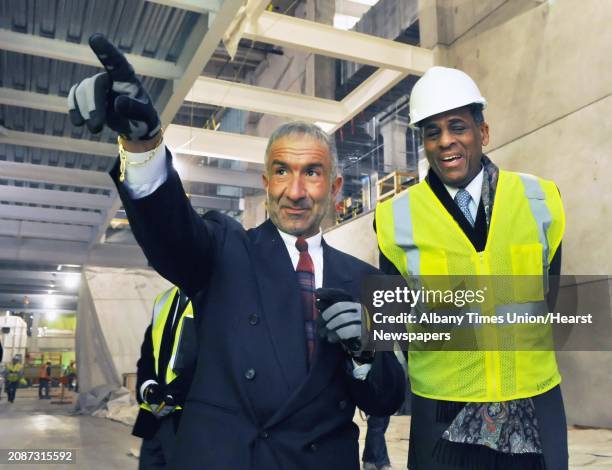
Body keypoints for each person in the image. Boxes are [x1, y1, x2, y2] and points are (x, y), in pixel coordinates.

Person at [67, 34, 405, 470]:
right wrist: (144, 146)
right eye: (282, 171)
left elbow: (389, 397)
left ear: (336, 188)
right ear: (266, 183)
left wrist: (366, 353)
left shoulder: (366, 279)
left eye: (313, 173)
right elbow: (171, 237)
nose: (295, 191)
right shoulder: (225, 250)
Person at [375, 66, 567, 469]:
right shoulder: (396, 219)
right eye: (432, 132)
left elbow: (548, 297)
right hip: (443, 412)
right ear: (423, 144)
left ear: (483, 132)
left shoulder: (539, 200)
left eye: (457, 126)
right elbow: (397, 323)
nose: (446, 141)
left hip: (531, 400)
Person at [134, 287, 197, 470]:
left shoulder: (214, 296)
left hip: (188, 417)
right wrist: (149, 390)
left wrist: (173, 395)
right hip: (155, 418)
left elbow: (211, 357)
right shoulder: (164, 299)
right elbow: (147, 353)